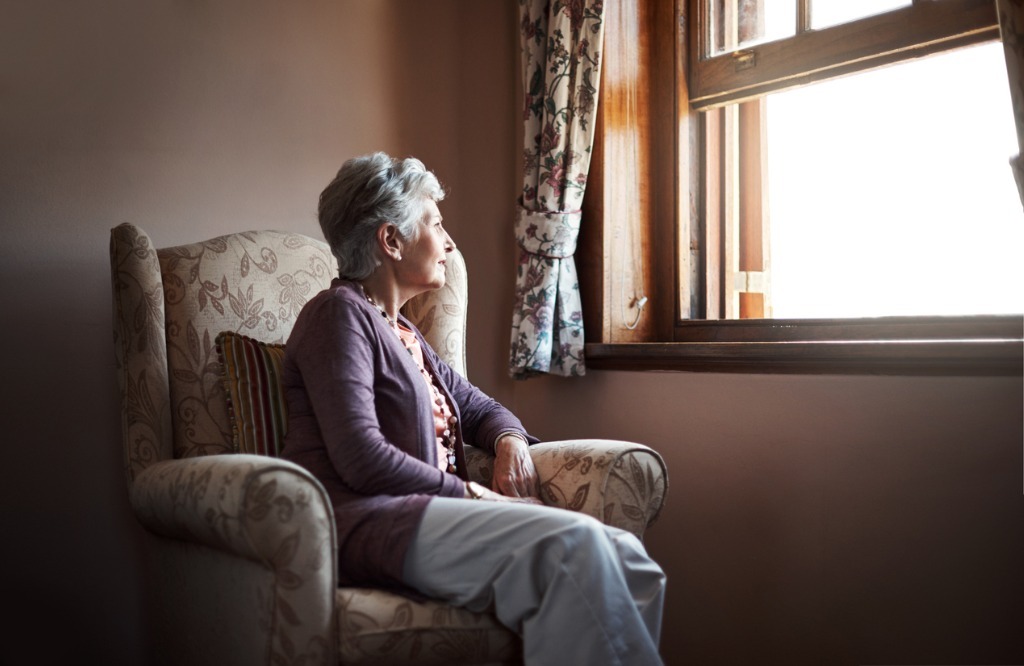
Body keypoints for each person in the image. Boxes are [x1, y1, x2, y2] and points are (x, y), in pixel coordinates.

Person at [280, 152, 665, 665]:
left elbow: (478, 406)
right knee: (575, 548)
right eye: (436, 224)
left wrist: (508, 441)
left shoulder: (404, 332)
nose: (450, 242)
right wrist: (474, 494)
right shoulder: (337, 316)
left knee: (633, 562)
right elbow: (359, 455)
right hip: (366, 523)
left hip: (424, 515)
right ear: (390, 241)